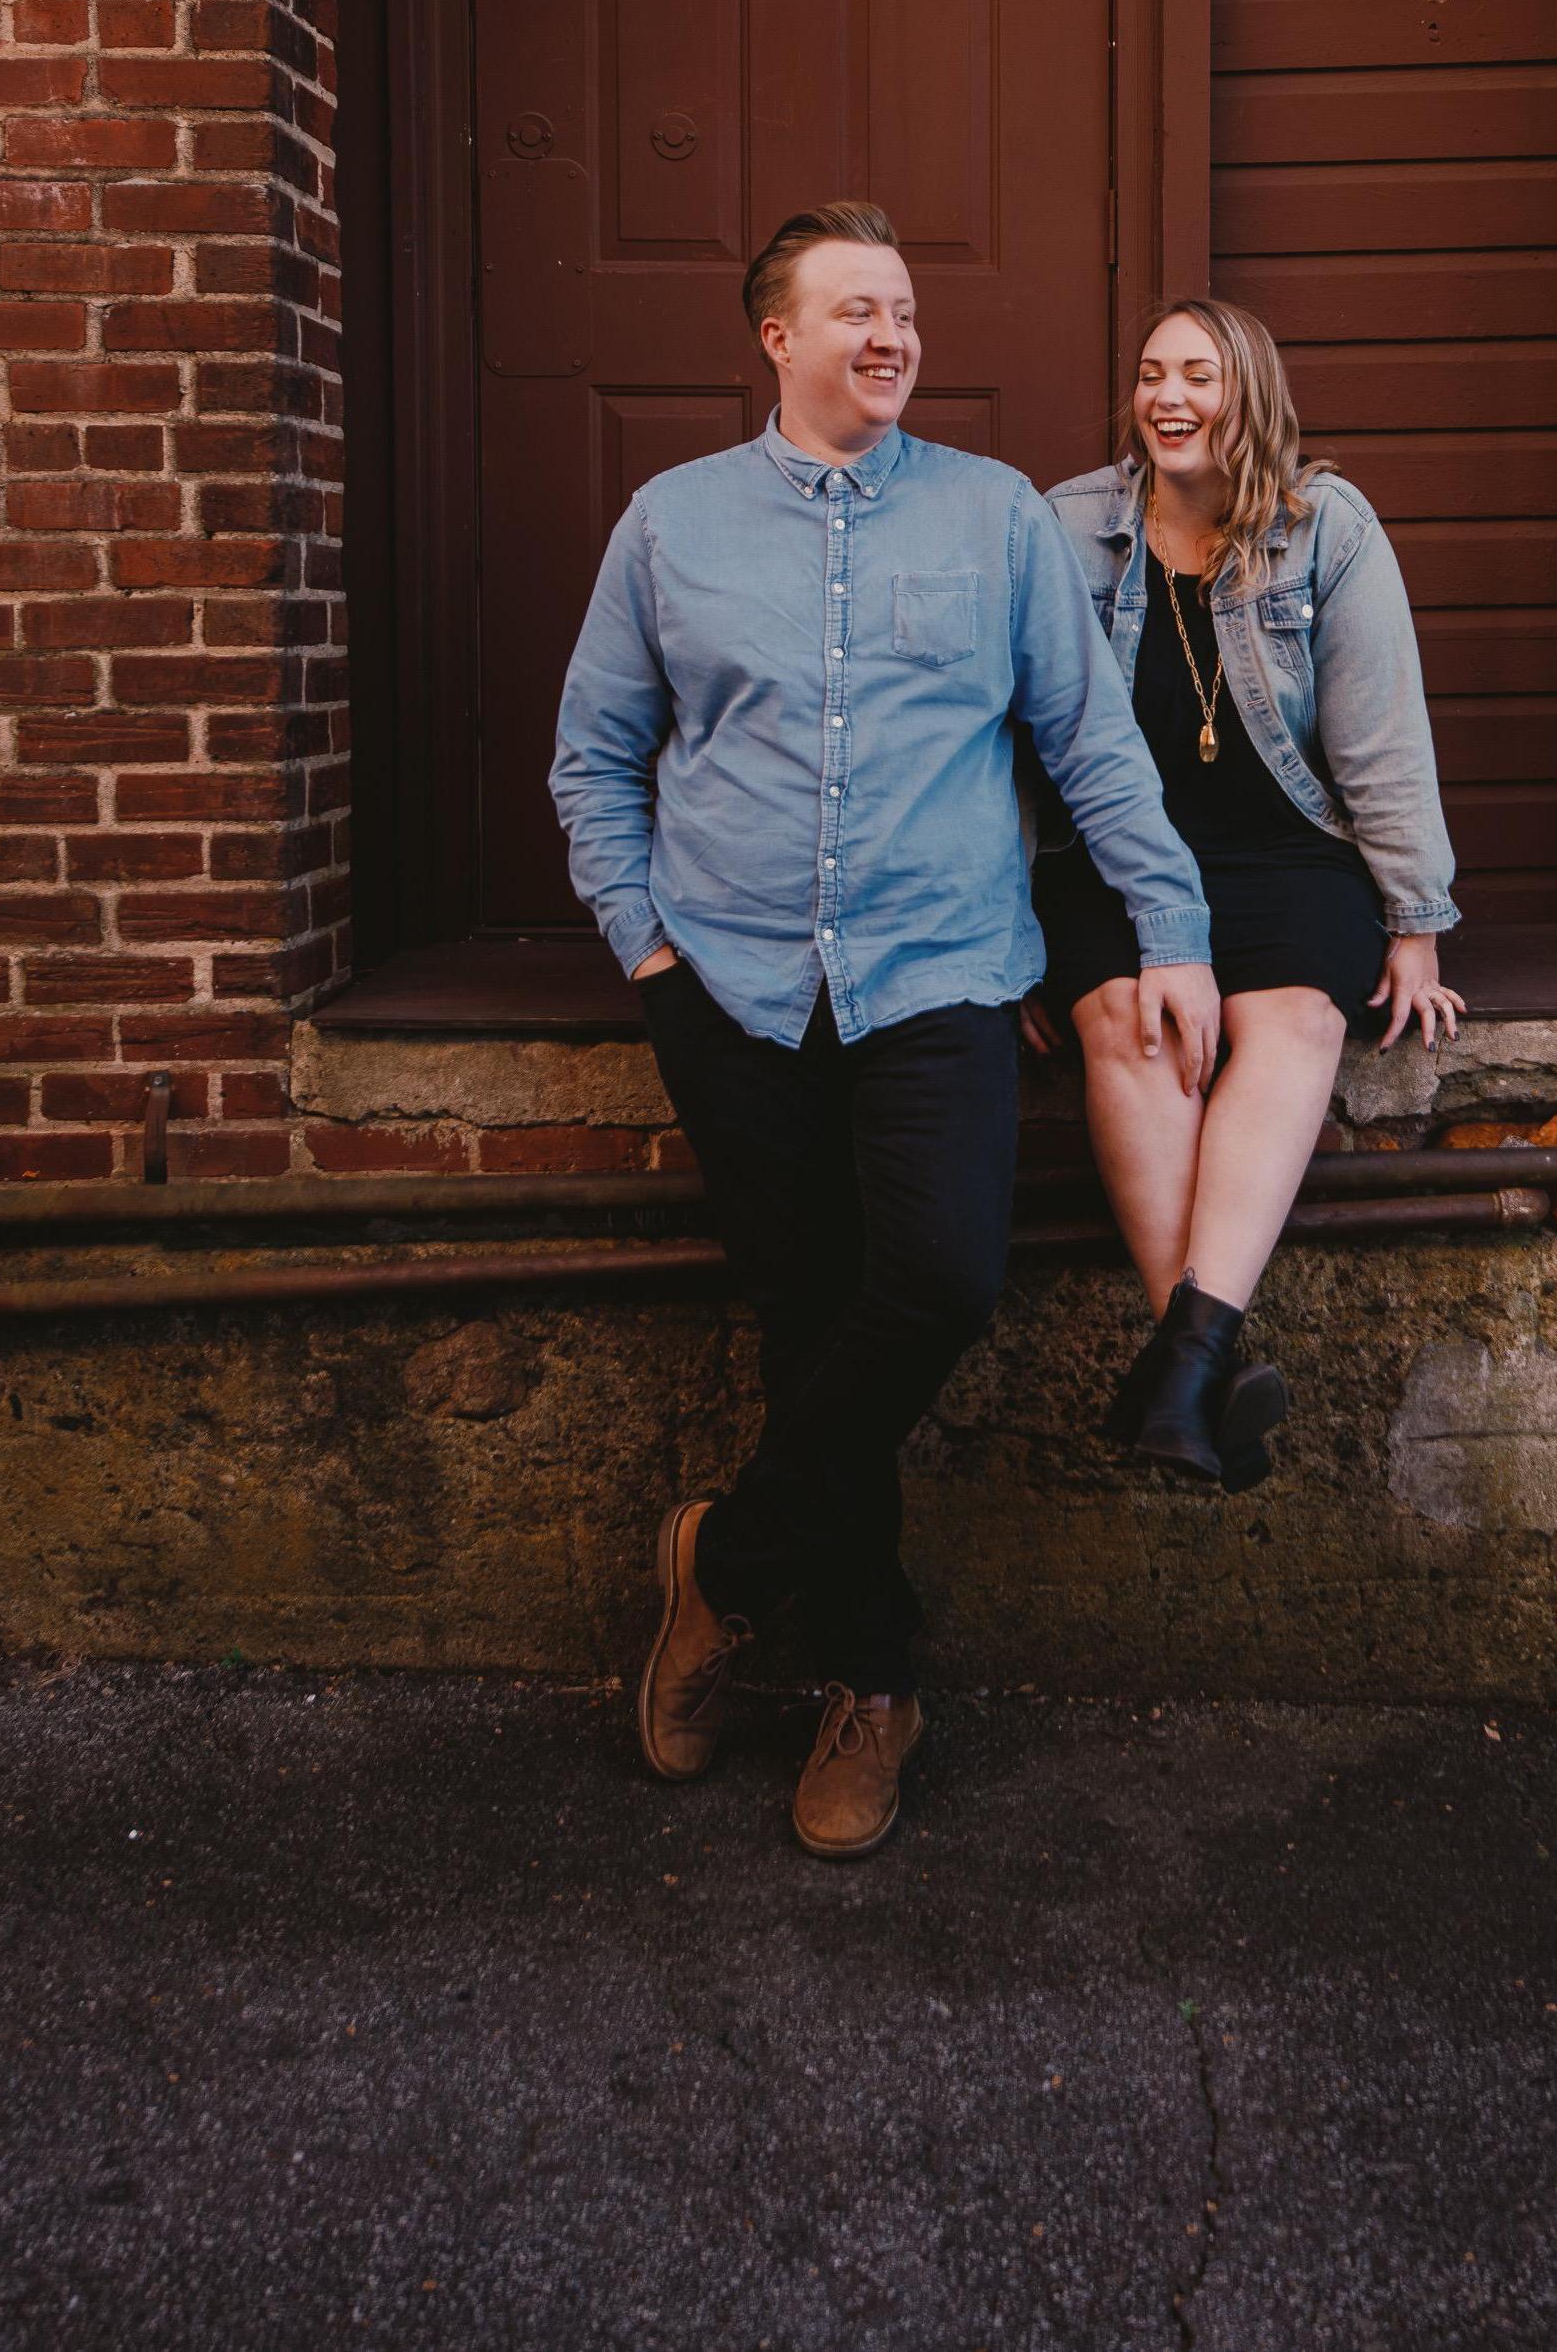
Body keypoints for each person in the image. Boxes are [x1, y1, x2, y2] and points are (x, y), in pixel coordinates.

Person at [549, 200, 1219, 1860]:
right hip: (733, 988)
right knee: (807, 1322)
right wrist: (646, 950)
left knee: (937, 1281)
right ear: (775, 337)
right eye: (856, 309)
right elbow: (595, 758)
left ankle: (724, 1566)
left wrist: (1175, 930)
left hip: (941, 978)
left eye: (905, 310)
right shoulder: (671, 524)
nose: (892, 335)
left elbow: (1090, 745)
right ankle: (874, 1683)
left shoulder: (993, 519)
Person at [1035, 297, 1464, 1490]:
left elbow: (1380, 735)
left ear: (1249, 393)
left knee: (1296, 1019)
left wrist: (1414, 920)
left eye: (1197, 375)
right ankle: (1200, 1369)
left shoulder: (1325, 528)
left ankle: (1180, 1371)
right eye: (1149, 373)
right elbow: (1012, 743)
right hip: (1114, 858)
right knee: (1128, 1022)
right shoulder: (1067, 528)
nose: (1166, 397)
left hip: (1284, 850)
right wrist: (1000, 934)